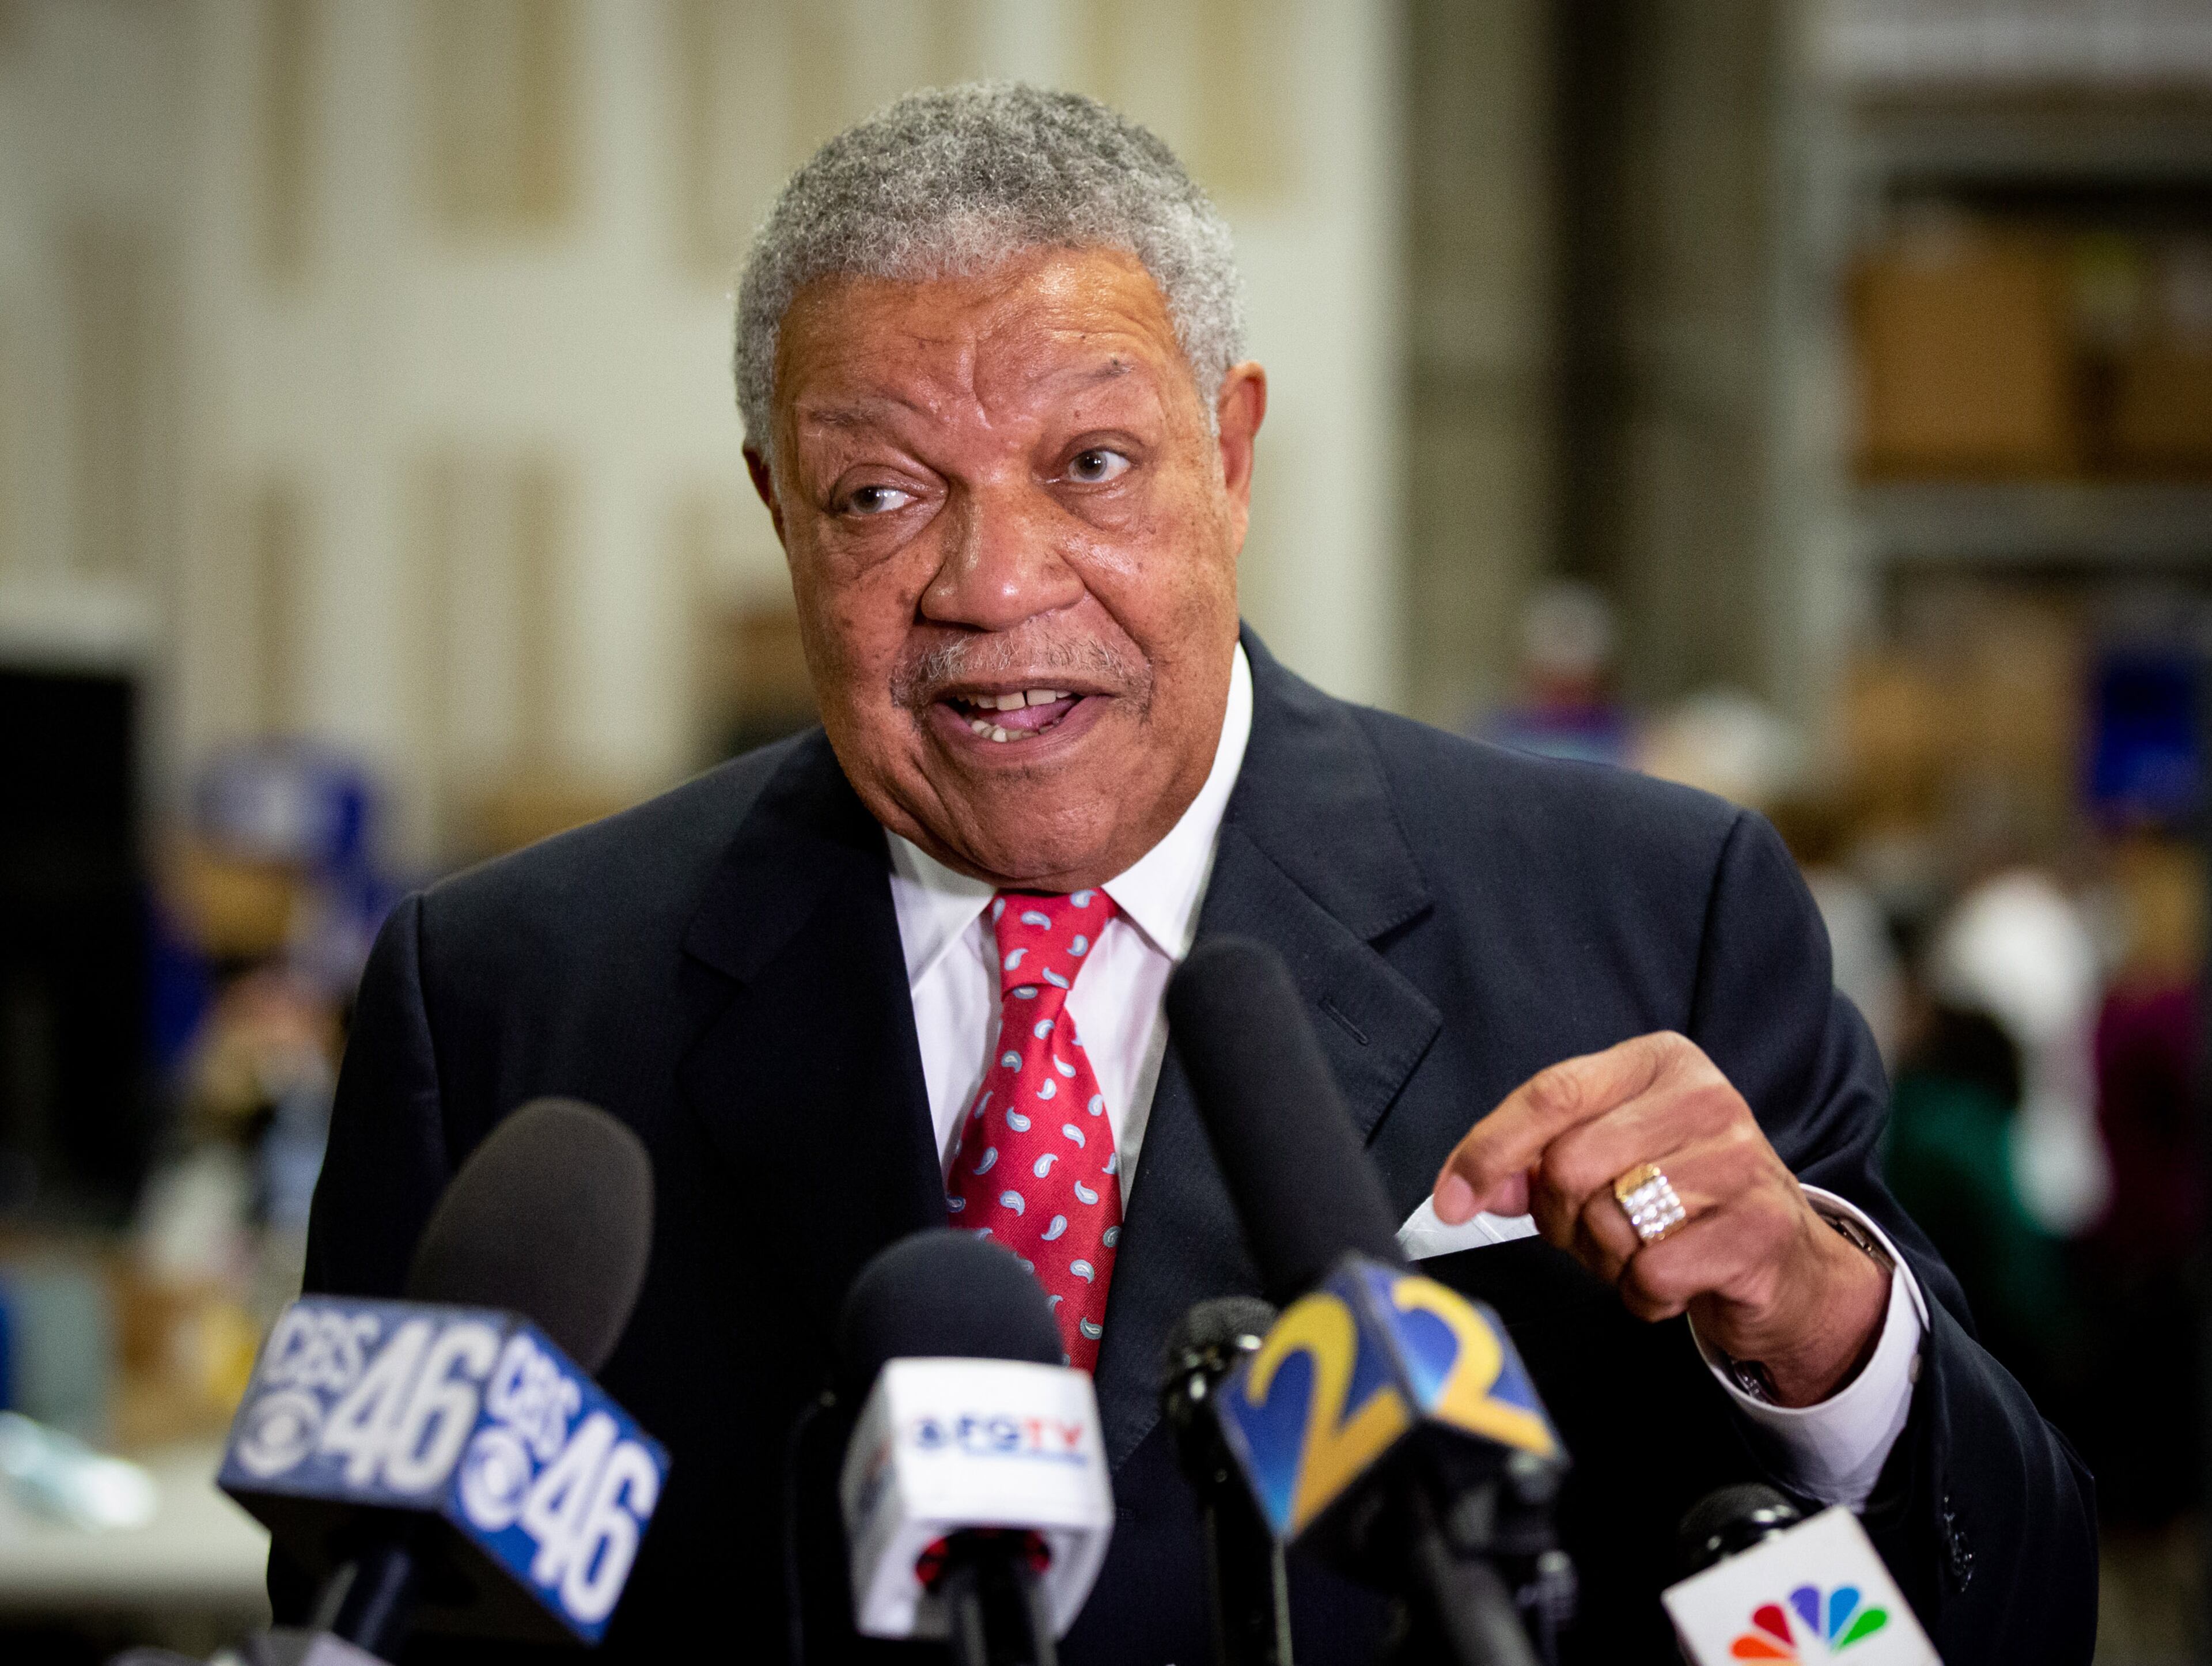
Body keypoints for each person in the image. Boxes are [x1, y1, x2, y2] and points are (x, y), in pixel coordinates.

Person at [292, 85, 2094, 1664]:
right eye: (879, 497)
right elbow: (367, 1616)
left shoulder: (1651, 914)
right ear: (777, 507)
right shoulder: (509, 1002)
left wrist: (1828, 1329)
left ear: (1228, 457)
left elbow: (2005, 1614)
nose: (992, 584)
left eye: (1090, 462)